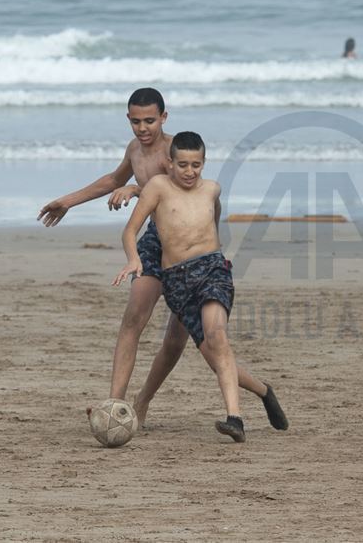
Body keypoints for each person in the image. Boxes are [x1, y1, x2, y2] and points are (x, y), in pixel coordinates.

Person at [38, 89, 287, 433]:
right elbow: (114, 179)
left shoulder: (174, 153)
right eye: (136, 121)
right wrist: (68, 201)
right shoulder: (134, 150)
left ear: (164, 117)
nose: (143, 128)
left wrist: (137, 191)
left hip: (183, 249)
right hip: (155, 243)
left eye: (150, 121)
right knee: (134, 317)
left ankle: (148, 401)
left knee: (177, 341)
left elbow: (173, 186)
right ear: (129, 119)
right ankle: (117, 405)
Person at [113, 132, 287, 442]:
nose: (190, 172)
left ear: (204, 164)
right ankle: (263, 391)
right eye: (182, 165)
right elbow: (130, 231)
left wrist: (210, 253)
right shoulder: (157, 188)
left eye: (196, 165)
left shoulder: (212, 190)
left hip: (212, 271)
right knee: (209, 352)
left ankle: (235, 419)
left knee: (216, 337)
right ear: (169, 163)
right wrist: (133, 259)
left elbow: (212, 222)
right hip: (177, 280)